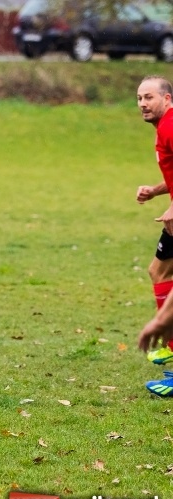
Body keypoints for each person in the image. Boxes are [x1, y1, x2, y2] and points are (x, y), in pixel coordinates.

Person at [136, 75, 173, 397]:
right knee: (158, 270)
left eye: (149, 97)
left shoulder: (171, 126)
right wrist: (158, 190)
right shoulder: (164, 129)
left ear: (167, 99)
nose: (143, 104)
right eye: (139, 98)